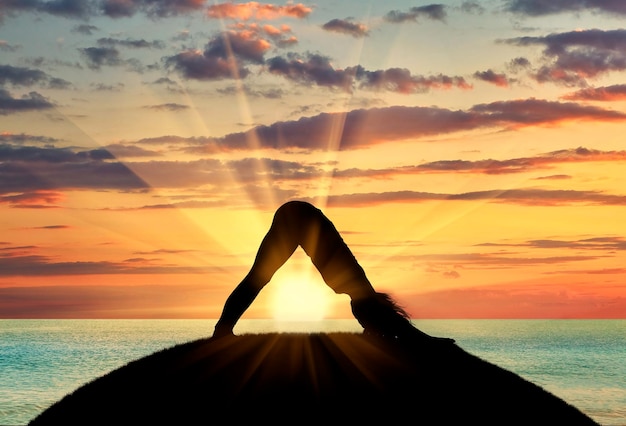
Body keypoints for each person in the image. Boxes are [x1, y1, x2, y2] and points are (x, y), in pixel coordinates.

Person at [213, 201, 453, 343]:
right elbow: (382, 317)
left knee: (259, 277)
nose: (358, 319)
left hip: (299, 216)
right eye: (365, 321)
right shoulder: (355, 284)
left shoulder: (355, 284)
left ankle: (222, 330)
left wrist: (406, 335)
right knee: (258, 277)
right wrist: (421, 339)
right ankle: (222, 330)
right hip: (298, 217)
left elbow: (378, 315)